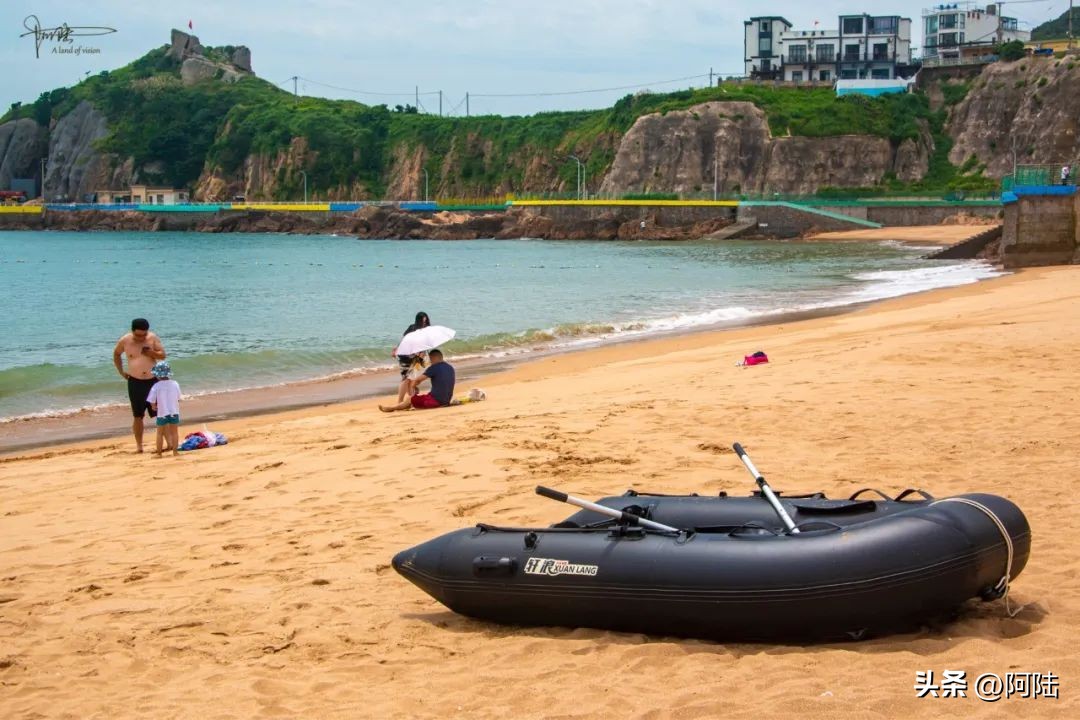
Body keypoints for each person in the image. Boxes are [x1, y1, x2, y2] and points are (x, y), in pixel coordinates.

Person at [112, 318, 167, 453]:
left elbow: (163, 355)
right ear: (132, 331)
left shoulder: (152, 338)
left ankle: (169, 443)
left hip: (153, 380)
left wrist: (151, 353)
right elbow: (116, 354)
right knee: (138, 415)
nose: (141, 338)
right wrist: (121, 371)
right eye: (138, 335)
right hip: (135, 381)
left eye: (144, 335)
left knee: (160, 413)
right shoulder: (125, 340)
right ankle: (139, 446)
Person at [380, 348, 455, 412]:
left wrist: (413, 388)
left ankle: (392, 408)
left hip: (435, 401)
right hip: (446, 401)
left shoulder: (434, 367)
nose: (430, 362)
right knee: (416, 399)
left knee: (410, 399)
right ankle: (406, 405)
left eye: (430, 359)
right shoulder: (450, 367)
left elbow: (417, 380)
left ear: (433, 358)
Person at [392, 311, 431, 404]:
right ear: (418, 321)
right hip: (405, 355)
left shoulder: (425, 330)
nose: (424, 323)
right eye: (422, 321)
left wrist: (421, 353)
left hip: (415, 356)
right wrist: (396, 349)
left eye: (425, 321)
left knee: (411, 379)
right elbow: (404, 340)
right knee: (406, 379)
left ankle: (411, 400)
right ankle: (400, 401)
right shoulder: (413, 328)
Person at [146, 361, 182, 457]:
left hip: (162, 413)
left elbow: (151, 399)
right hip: (174, 412)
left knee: (159, 433)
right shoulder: (175, 383)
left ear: (157, 375)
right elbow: (178, 397)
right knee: (174, 433)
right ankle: (175, 452)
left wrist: (153, 406)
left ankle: (159, 453)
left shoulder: (156, 386)